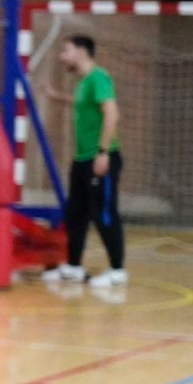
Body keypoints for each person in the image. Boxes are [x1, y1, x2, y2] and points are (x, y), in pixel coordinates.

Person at [41, 34, 125, 288]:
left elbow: (112, 113)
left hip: (100, 157)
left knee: (104, 214)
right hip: (81, 159)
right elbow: (82, 105)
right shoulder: (83, 82)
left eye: (66, 50)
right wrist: (56, 96)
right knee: (75, 214)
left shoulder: (98, 77)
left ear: (81, 52)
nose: (61, 56)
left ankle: (117, 271)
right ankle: (74, 267)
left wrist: (102, 152)